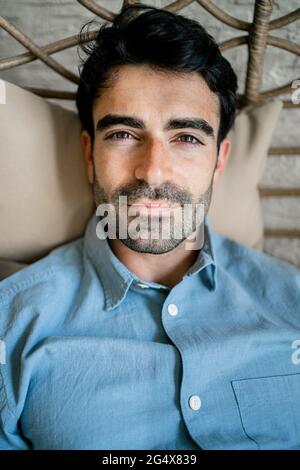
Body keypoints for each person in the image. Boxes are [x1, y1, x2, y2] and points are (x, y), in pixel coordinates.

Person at [0, 5, 299, 451]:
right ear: (89, 154)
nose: (153, 172)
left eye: (187, 138)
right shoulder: (12, 326)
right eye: (123, 134)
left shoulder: (292, 301)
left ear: (220, 160)